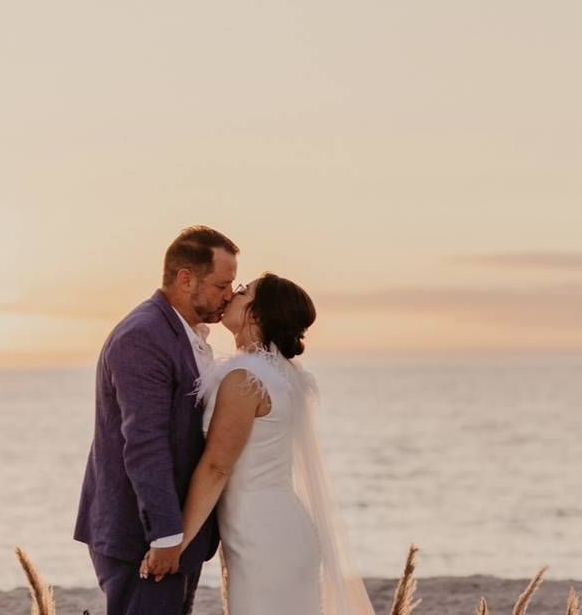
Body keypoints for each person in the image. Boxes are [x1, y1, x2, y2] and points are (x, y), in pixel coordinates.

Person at [148, 273, 376, 615]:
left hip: (262, 535)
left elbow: (217, 467)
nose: (232, 295)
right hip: (277, 525)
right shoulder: (284, 374)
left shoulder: (246, 379)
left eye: (243, 291)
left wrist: (177, 542)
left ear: (256, 314)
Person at [74, 226, 239, 615]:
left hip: (180, 533)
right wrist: (166, 537)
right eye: (222, 284)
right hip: (141, 537)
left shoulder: (187, 333)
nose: (229, 295)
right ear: (186, 278)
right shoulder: (143, 336)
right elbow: (145, 442)